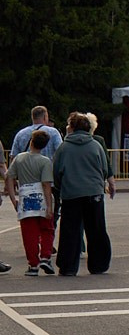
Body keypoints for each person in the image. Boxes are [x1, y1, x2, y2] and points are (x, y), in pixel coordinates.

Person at [51, 113, 115, 276]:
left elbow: (56, 171)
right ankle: (99, 264)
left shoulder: (64, 148)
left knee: (70, 230)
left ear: (72, 127)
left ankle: (68, 266)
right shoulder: (95, 145)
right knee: (96, 229)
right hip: (94, 192)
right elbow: (104, 169)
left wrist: (60, 188)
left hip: (71, 193)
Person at [8, 128, 57, 274]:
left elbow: (10, 177)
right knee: (47, 229)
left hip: (25, 196)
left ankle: (33, 264)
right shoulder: (45, 162)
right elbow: (46, 184)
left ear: (31, 142)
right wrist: (49, 206)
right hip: (41, 197)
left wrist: (13, 199)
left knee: (29, 233)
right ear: (44, 145)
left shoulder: (19, 159)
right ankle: (45, 256)